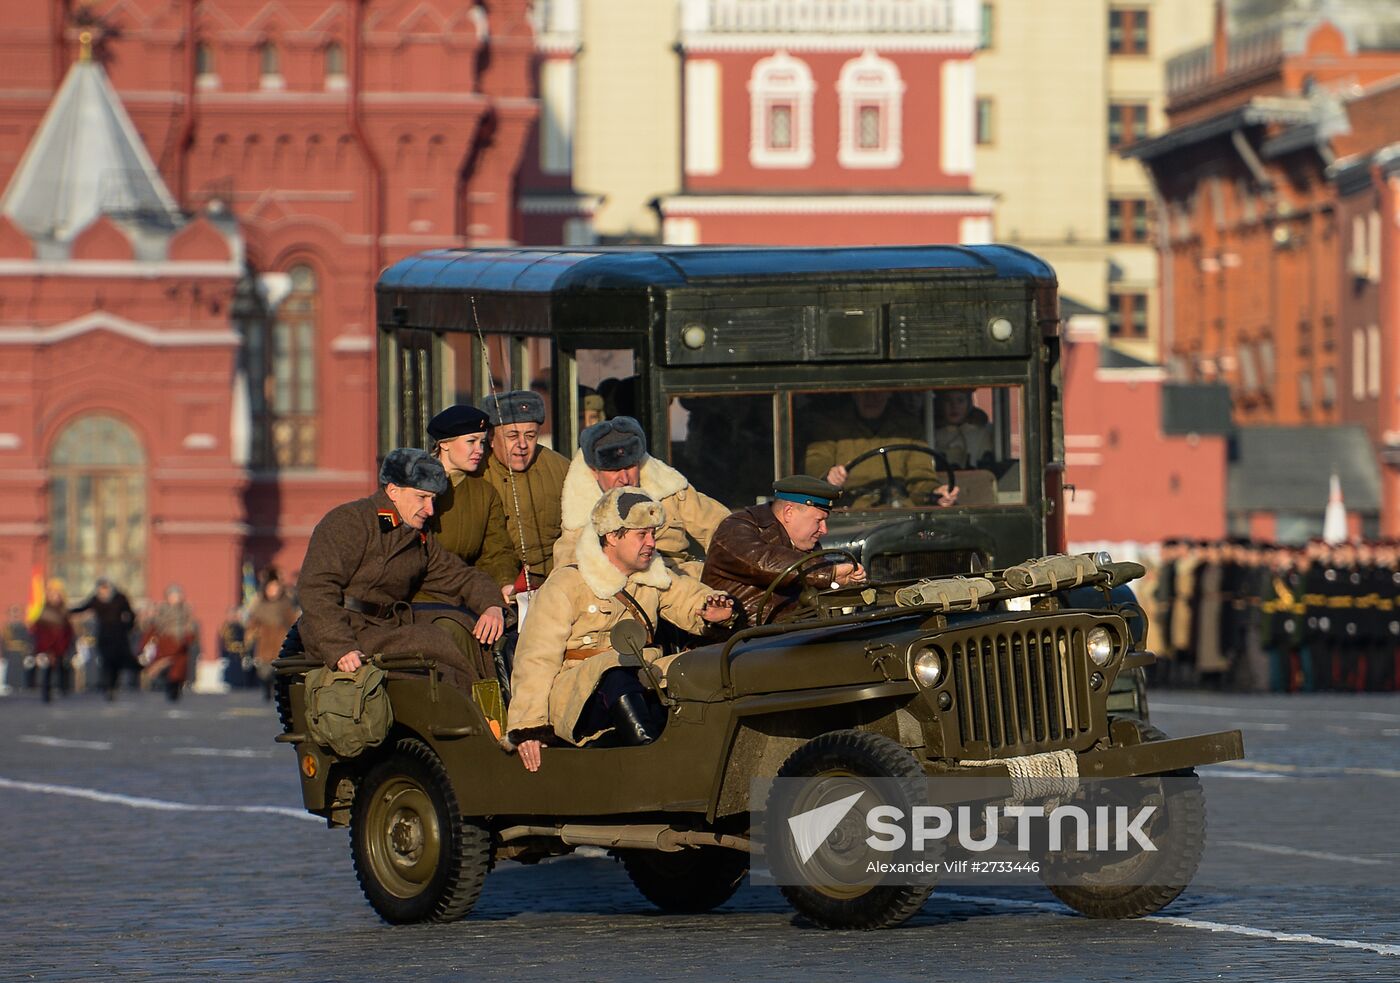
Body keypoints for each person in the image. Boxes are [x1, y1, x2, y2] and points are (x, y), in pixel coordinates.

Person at [509, 488, 735, 771]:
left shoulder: (652, 576)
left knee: (695, 670)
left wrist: (711, 610)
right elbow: (535, 658)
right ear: (613, 536)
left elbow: (685, 596)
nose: (652, 543)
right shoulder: (567, 584)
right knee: (615, 674)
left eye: (653, 534)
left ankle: (712, 761)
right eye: (642, 535)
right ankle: (654, 764)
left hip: (640, 677)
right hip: (579, 694)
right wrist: (529, 728)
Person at [297, 448, 506, 694]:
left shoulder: (416, 537)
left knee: (459, 629)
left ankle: (494, 717)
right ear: (393, 490)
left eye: (433, 499)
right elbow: (316, 587)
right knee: (436, 647)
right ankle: (482, 721)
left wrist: (491, 606)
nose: (430, 510)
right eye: (422, 498)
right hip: (347, 630)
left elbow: (460, 576)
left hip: (382, 628)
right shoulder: (351, 521)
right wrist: (340, 646)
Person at [554, 416, 730, 573]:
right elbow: (566, 574)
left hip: (680, 579)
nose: (624, 478)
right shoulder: (578, 517)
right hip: (621, 596)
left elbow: (721, 527)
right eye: (614, 470)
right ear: (594, 471)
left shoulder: (669, 490)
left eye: (630, 467)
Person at [703, 475, 867, 627]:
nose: (824, 530)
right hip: (734, 645)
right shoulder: (736, 529)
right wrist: (830, 572)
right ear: (789, 512)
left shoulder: (807, 544)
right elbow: (763, 562)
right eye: (819, 521)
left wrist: (843, 585)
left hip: (787, 641)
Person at [423, 404, 519, 596]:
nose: (479, 450)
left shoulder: (485, 493)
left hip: (469, 592)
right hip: (423, 594)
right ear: (444, 444)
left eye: (482, 442)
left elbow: (497, 552)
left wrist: (505, 584)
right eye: (471, 441)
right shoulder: (417, 486)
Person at [480, 390, 570, 590]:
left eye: (530, 436)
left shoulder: (563, 471)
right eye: (512, 435)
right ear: (491, 438)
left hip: (550, 583)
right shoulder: (476, 471)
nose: (522, 444)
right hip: (489, 584)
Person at [803, 390, 957, 507]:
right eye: (865, 392)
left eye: (878, 392)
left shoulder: (908, 428)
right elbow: (816, 464)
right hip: (851, 514)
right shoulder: (830, 427)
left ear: (888, 393)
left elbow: (920, 478)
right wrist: (829, 477)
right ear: (855, 393)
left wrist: (935, 492)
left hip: (898, 514)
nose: (872, 398)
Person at [69, 577, 137, 701]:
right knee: (105, 661)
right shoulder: (96, 600)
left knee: (115, 663)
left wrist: (128, 627)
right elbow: (83, 607)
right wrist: (67, 611)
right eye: (101, 589)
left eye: (105, 588)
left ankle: (113, 686)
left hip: (119, 636)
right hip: (104, 636)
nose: (103, 591)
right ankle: (107, 687)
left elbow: (131, 614)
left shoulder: (120, 598)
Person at [141, 584, 198, 702]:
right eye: (173, 595)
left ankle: (175, 689)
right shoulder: (162, 610)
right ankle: (166, 686)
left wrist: (189, 636)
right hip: (167, 642)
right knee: (166, 666)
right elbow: (154, 626)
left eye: (177, 595)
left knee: (178, 670)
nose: (176, 598)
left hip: (181, 643)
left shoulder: (185, 610)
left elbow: (190, 626)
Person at [247, 577, 299, 701]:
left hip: (280, 638)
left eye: (275, 588)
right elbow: (253, 621)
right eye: (270, 588)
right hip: (264, 640)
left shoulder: (285, 603)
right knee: (263, 671)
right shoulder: (260, 604)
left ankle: (278, 691)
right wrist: (251, 633)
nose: (272, 591)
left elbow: (292, 620)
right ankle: (267, 689)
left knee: (278, 668)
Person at [31, 580, 74, 703]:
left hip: (61, 644)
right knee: (47, 669)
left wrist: (67, 642)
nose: (54, 596)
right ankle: (46, 693)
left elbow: (68, 629)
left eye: (56, 593)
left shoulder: (64, 610)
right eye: (51, 593)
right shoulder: (44, 610)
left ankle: (63, 689)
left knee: (62, 666)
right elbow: (37, 629)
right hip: (47, 645)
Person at [932, 389, 995, 469]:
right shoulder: (931, 434)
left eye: (960, 400)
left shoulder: (985, 433)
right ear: (940, 403)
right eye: (948, 400)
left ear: (968, 403)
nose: (954, 406)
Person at [2, 605, 32, 694]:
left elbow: (28, 640)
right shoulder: (7, 628)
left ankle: (21, 687)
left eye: (16, 613)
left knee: (20, 672)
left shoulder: (24, 627)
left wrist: (28, 653)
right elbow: (3, 642)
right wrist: (3, 655)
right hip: (10, 653)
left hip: (21, 653)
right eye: (13, 613)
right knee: (11, 671)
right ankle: (10, 685)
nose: (14, 615)